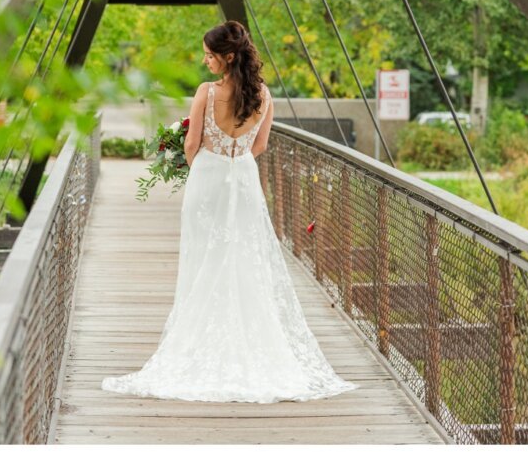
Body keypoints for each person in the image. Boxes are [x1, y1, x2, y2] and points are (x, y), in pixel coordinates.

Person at [101, 20, 359, 403]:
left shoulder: (207, 92)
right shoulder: (264, 96)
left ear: (229, 56)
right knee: (242, 256)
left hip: (207, 177)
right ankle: (247, 343)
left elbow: (192, 142)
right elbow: (261, 145)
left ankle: (201, 340)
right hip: (243, 178)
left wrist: (202, 167)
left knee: (203, 257)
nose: (205, 61)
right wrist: (235, 162)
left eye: (209, 55)